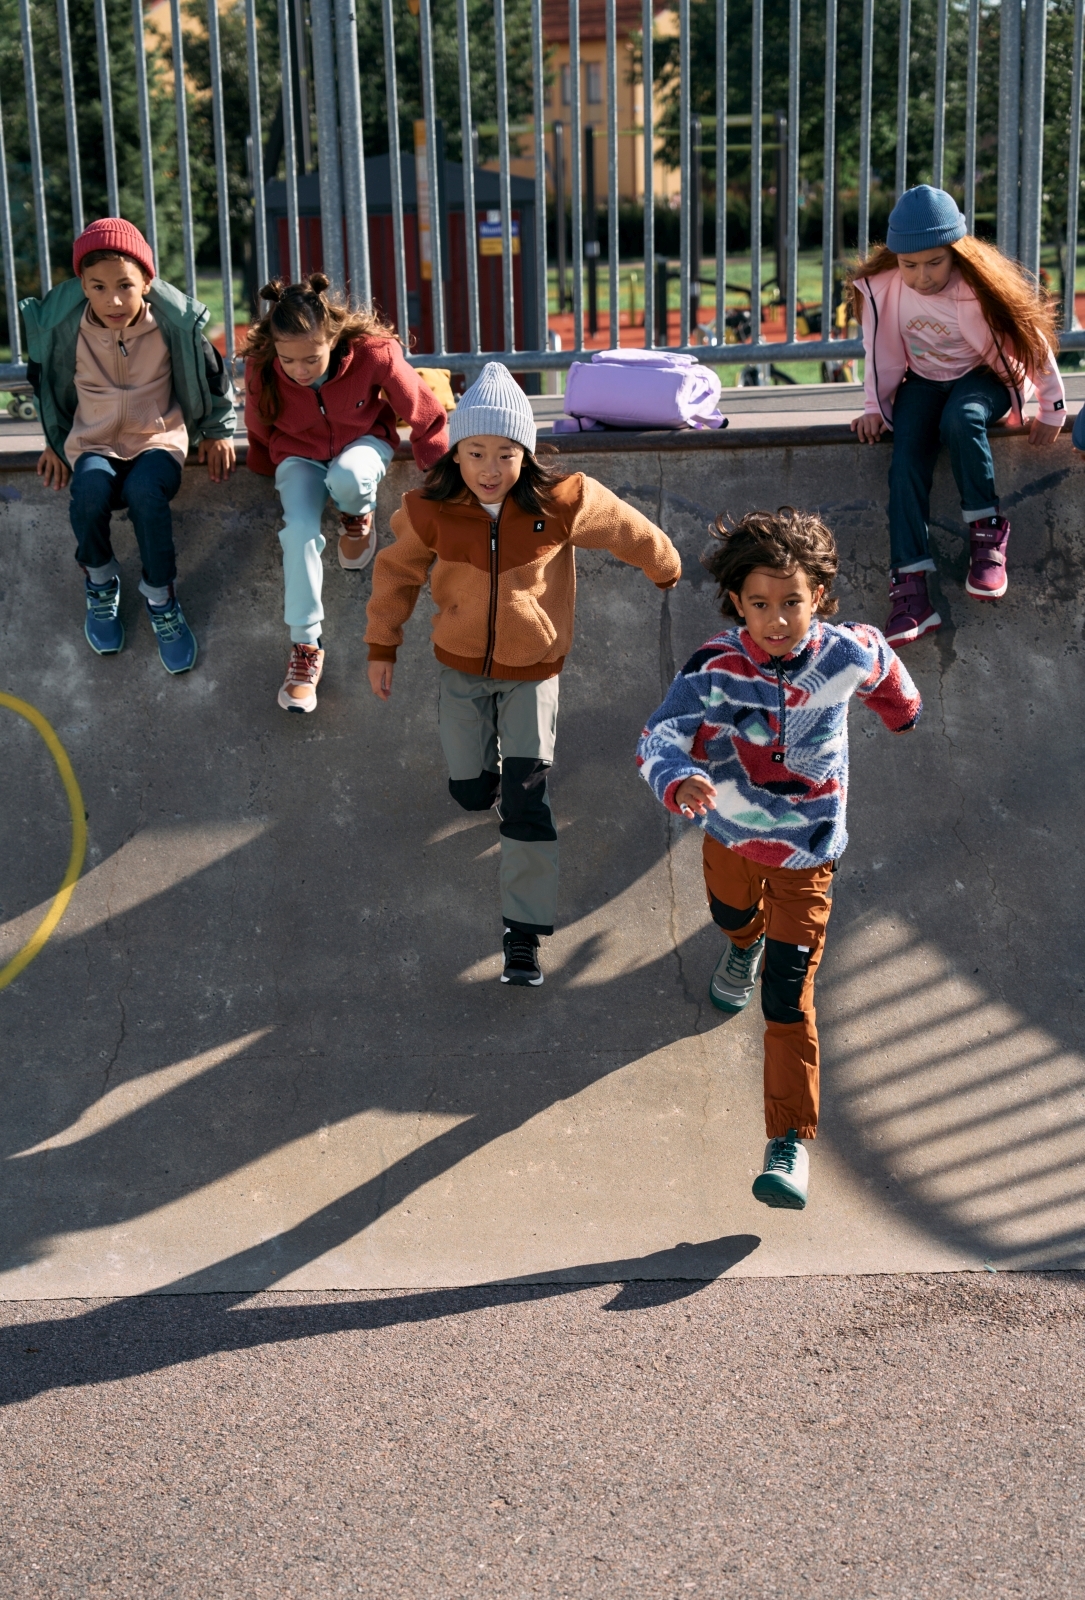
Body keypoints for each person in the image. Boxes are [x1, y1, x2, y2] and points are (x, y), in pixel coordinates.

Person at [636, 508, 921, 1210]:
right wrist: (679, 778)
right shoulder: (713, 667)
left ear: (818, 596)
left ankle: (786, 1141)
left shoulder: (846, 652)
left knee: (787, 1000)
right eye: (759, 604)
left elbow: (885, 670)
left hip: (808, 856)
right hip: (730, 838)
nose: (776, 620)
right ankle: (743, 944)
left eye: (791, 602)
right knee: (733, 917)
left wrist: (900, 710)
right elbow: (658, 736)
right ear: (736, 602)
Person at [365, 360, 681, 986]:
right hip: (460, 669)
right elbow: (395, 574)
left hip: (533, 671)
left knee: (526, 801)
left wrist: (663, 562)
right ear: (455, 454)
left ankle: (523, 936)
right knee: (469, 792)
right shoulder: (430, 511)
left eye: (506, 454)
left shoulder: (562, 503)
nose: (490, 468)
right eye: (476, 453)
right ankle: (486, 786)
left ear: (526, 455)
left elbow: (625, 527)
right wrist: (382, 646)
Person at [848, 185, 1065, 645]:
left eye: (934, 262)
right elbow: (875, 351)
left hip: (982, 377)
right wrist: (872, 408)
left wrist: (1052, 406)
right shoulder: (882, 288)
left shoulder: (977, 288)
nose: (922, 276)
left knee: (960, 419)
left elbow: (1031, 340)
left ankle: (987, 536)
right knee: (905, 460)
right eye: (909, 264)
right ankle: (910, 591)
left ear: (956, 252)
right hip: (923, 382)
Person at [22, 216, 236, 673]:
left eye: (125, 285)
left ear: (147, 282)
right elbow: (45, 387)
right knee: (88, 492)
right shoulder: (65, 331)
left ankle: (162, 599)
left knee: (144, 494)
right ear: (83, 286)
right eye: (98, 287)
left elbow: (213, 375)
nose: (113, 300)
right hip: (93, 442)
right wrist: (54, 443)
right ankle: (101, 581)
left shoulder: (172, 326)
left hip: (158, 439)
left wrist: (219, 431)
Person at [243, 274, 449, 713]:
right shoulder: (263, 365)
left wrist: (435, 463)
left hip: (363, 444)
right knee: (298, 533)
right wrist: (262, 466)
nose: (299, 371)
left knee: (349, 478)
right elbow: (258, 423)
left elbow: (421, 407)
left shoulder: (374, 353)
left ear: (332, 339)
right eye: (288, 360)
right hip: (298, 455)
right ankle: (306, 648)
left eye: (311, 358)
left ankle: (357, 514)